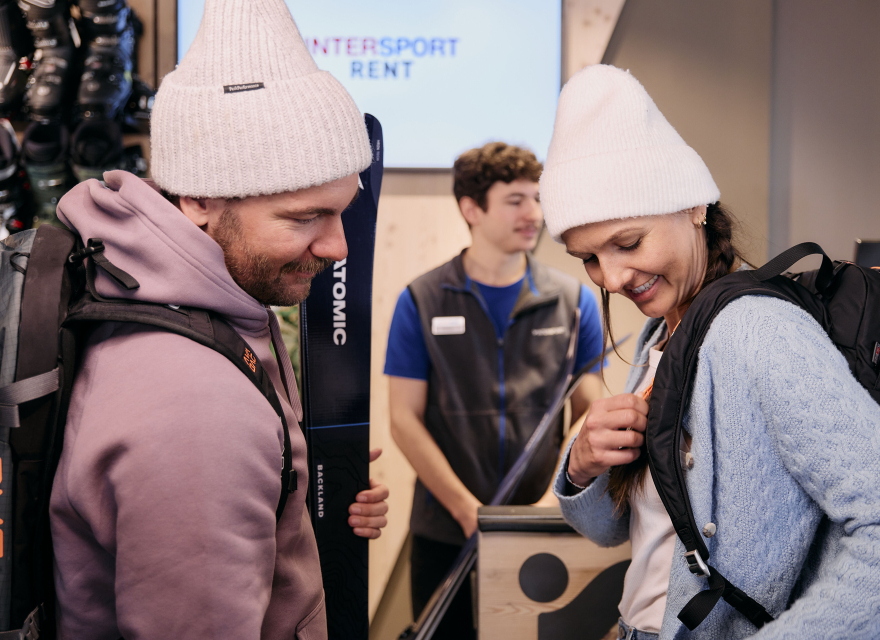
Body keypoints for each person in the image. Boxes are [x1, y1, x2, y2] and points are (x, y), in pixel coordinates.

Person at [542, 64, 880, 640]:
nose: (609, 277)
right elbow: (631, 536)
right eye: (587, 258)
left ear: (694, 207)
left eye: (628, 242)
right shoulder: (662, 335)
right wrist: (585, 465)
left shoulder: (755, 332)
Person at [48, 1, 388, 638]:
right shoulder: (193, 401)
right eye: (303, 216)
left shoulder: (206, 309)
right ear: (200, 197)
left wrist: (298, 491)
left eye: (342, 212)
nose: (339, 246)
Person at [386, 142, 605, 637]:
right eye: (515, 200)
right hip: (446, 531)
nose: (534, 214)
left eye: (537, 198)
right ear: (471, 208)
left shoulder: (574, 303)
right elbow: (402, 419)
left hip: (546, 525)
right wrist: (470, 514)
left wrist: (553, 504)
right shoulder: (420, 300)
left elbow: (590, 412)